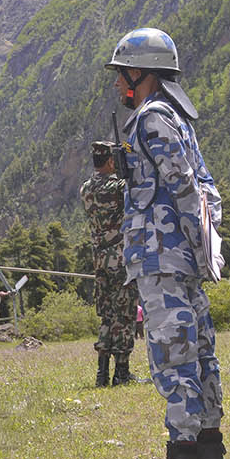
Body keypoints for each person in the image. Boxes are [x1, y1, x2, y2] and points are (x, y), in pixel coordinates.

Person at [106, 27, 228, 459]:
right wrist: (203, 253)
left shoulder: (152, 118)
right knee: (200, 357)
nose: (118, 85)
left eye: (122, 75)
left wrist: (194, 251)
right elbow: (205, 189)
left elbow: (181, 188)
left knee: (174, 362)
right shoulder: (178, 119)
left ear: (142, 73)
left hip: (161, 257)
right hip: (182, 258)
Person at [81, 140, 139, 386]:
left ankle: (102, 373)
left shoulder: (85, 189)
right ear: (110, 160)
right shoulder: (118, 187)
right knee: (124, 316)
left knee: (106, 315)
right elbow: (135, 193)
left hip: (99, 260)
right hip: (120, 257)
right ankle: (122, 373)